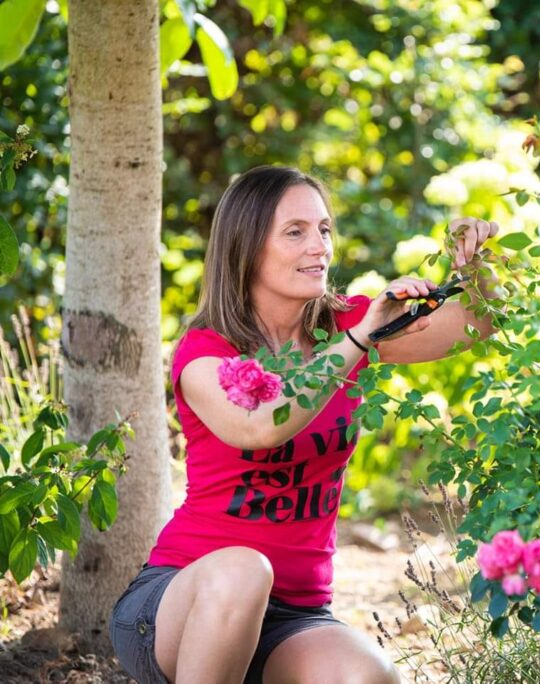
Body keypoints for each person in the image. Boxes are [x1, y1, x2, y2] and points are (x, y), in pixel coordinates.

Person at [108, 165, 501, 683]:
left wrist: (474, 263)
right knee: (245, 570)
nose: (319, 247)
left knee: (370, 676)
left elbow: (476, 325)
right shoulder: (206, 351)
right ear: (247, 247)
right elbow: (258, 427)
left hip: (293, 617)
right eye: (295, 232)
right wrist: (358, 340)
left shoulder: (345, 326)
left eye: (324, 229)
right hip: (183, 602)